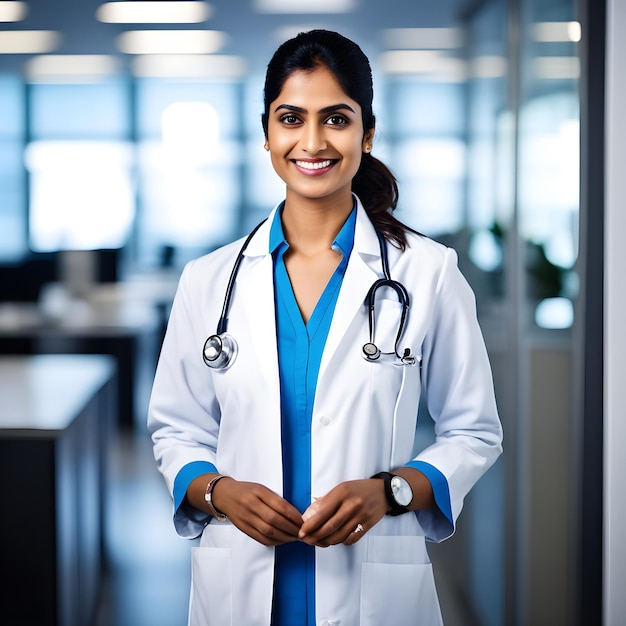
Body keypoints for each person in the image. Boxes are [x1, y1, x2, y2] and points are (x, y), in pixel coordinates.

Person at [148, 29, 503, 626]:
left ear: (367, 133)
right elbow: (174, 430)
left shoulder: (429, 272)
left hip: (373, 586)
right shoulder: (208, 280)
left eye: (335, 119)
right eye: (291, 118)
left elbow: (474, 431)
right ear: (266, 133)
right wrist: (217, 491)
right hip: (240, 578)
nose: (312, 142)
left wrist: (391, 490)